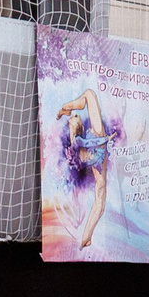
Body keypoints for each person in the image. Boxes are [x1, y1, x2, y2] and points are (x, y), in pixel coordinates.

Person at [52, 87, 115, 250]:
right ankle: (86, 237)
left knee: (100, 197)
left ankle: (86, 238)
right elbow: (88, 143)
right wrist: (105, 139)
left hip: (97, 155)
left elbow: (88, 145)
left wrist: (64, 110)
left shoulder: (78, 140)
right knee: (89, 94)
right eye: (75, 116)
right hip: (97, 150)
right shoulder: (80, 140)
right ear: (76, 125)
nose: (77, 116)